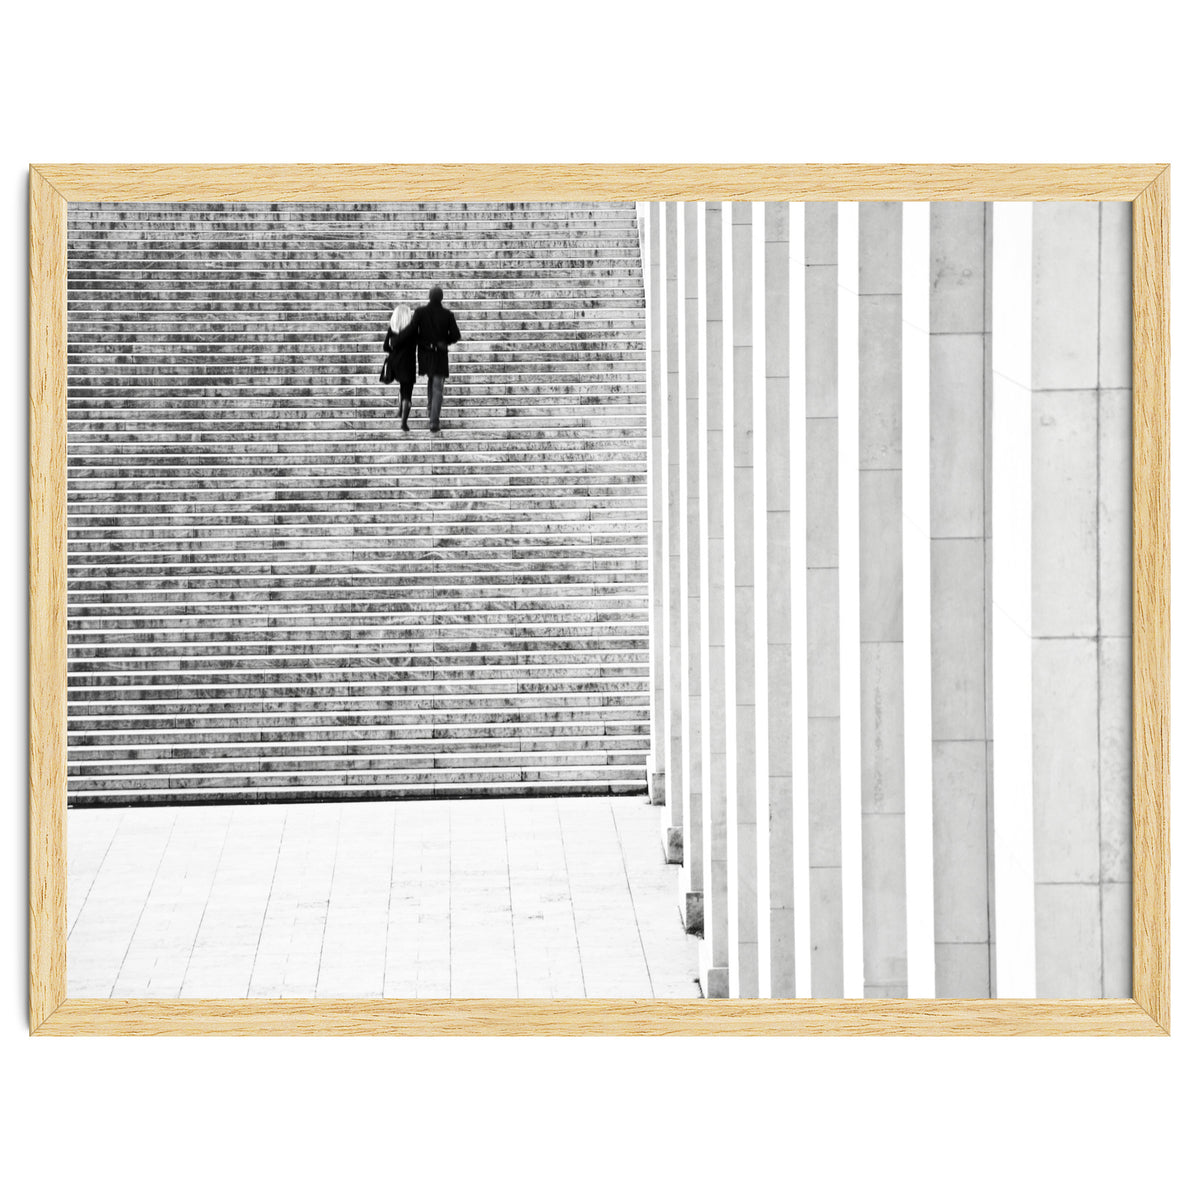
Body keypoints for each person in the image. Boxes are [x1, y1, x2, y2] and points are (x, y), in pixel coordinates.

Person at [412, 285, 461, 434]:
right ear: (441, 298)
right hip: (440, 354)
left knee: (432, 380)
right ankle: (434, 420)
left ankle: (430, 410)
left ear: (429, 296)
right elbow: (456, 335)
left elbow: (413, 331)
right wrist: (444, 341)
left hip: (426, 354)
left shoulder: (420, 312)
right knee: (437, 386)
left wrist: (423, 342)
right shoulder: (447, 314)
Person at [383, 303, 418, 431]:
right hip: (408, 363)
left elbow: (385, 347)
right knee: (407, 391)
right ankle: (404, 422)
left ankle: (399, 410)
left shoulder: (392, 328)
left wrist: (394, 349)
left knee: (402, 386)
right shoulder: (412, 330)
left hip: (395, 363)